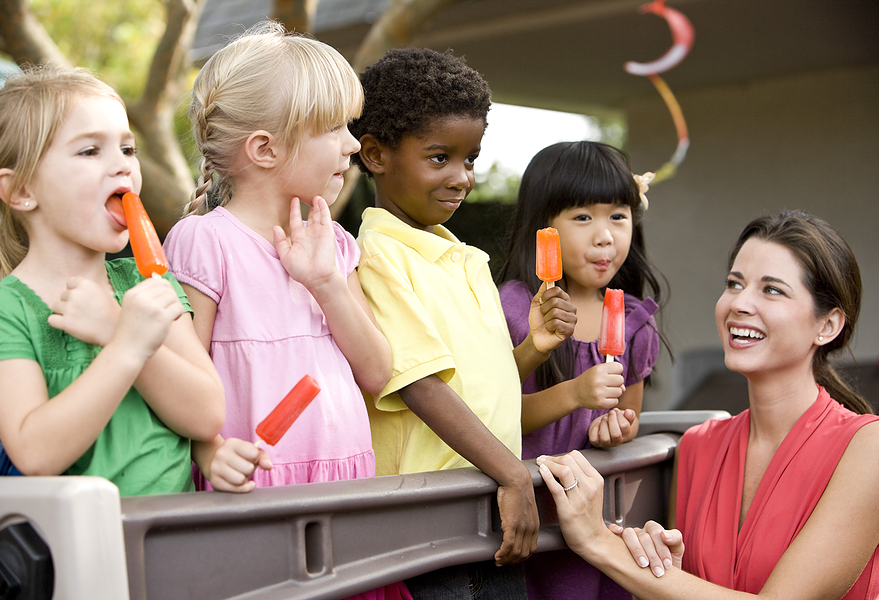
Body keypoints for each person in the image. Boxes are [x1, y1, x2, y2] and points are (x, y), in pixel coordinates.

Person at [162, 22, 410, 600]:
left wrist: (327, 283)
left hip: (347, 489)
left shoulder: (336, 245)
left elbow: (377, 372)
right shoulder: (204, 243)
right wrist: (209, 449)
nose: (353, 143)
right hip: (254, 497)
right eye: (334, 128)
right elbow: (177, 376)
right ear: (265, 149)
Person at [538, 210, 879, 599]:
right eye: (734, 284)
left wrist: (598, 541)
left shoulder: (868, 449)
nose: (740, 303)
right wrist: (668, 572)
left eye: (772, 290)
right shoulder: (697, 447)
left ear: (828, 325)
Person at [351, 47, 579, 600]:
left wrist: (532, 348)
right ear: (376, 155)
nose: (462, 178)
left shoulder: (469, 259)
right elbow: (420, 385)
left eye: (470, 158)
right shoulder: (378, 255)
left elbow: (478, 380)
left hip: (487, 504)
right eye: (439, 158)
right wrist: (514, 473)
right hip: (432, 516)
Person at [0, 66, 224, 496]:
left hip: (176, 534)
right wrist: (126, 344)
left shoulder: (150, 284)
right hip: (79, 546)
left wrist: (114, 326)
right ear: (20, 191)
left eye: (128, 149)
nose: (122, 166)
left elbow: (206, 414)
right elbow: (35, 453)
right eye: (90, 151)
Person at [497, 141, 666, 600]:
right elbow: (495, 416)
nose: (605, 236)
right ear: (544, 228)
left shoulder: (633, 324)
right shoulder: (512, 310)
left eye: (618, 215)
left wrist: (616, 428)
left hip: (597, 521)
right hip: (526, 519)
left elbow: (627, 418)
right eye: (583, 217)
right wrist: (573, 394)